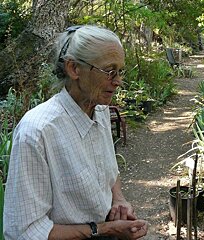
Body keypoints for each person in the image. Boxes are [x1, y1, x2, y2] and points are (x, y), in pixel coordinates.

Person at [3, 25, 148, 240]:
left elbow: (109, 170)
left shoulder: (99, 110)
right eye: (109, 71)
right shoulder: (38, 132)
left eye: (120, 71)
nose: (118, 81)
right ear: (74, 69)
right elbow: (25, 232)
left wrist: (118, 199)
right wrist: (104, 229)